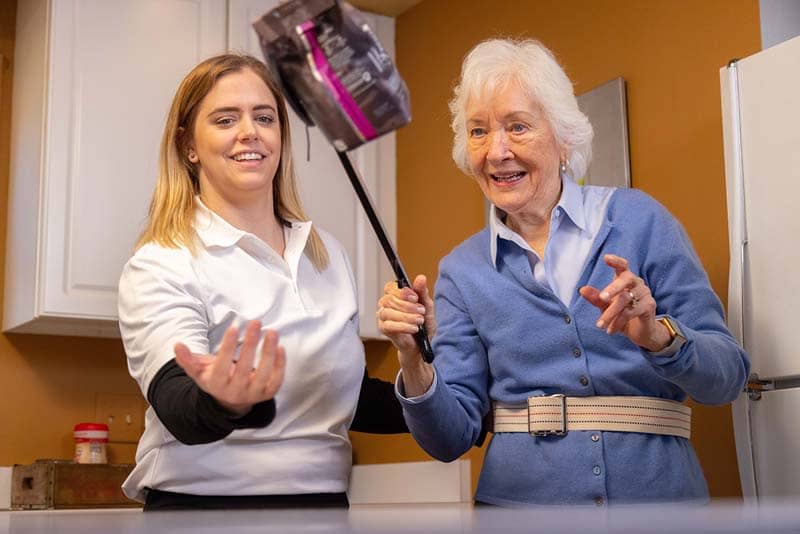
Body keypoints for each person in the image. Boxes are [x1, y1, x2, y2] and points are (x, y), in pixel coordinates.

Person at [377, 38, 749, 507]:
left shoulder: (640, 221)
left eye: (517, 127)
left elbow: (728, 378)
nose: (497, 151)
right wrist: (413, 361)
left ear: (563, 137)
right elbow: (449, 439)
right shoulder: (461, 271)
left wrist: (658, 336)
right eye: (478, 132)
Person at [118, 53, 405, 511]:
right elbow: (179, 405)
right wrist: (227, 401)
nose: (249, 131)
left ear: (280, 137)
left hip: (324, 508)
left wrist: (454, 401)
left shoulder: (326, 253)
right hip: (202, 510)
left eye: (264, 117)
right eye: (225, 119)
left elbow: (343, 398)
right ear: (189, 145)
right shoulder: (163, 261)